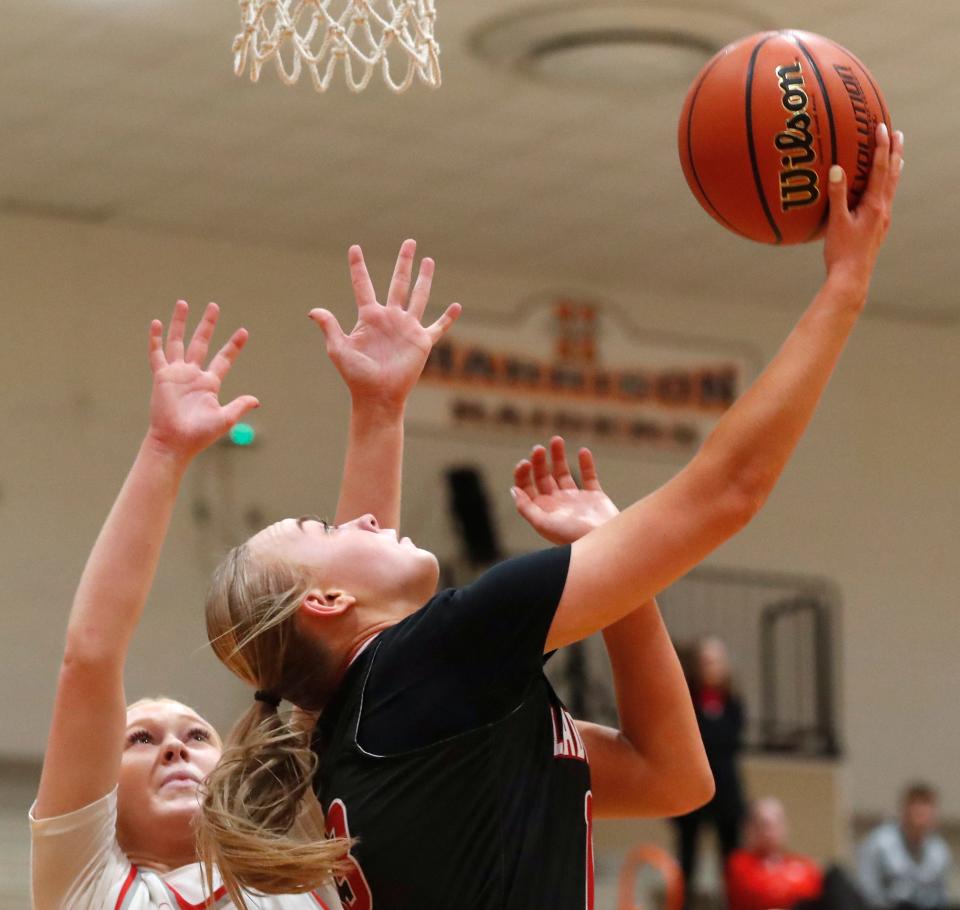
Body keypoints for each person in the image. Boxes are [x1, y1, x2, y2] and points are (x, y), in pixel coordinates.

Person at [199, 124, 904, 910]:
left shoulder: (379, 724)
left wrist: (382, 412)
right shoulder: (437, 667)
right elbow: (727, 490)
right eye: (325, 530)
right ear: (325, 605)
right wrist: (846, 284)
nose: (356, 521)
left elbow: (671, 775)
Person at [29, 299, 347, 908]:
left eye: (198, 736)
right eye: (140, 740)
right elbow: (91, 656)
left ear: (230, 774)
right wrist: (163, 451)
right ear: (98, 795)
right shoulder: (88, 887)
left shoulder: (297, 871)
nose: (174, 747)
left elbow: (355, 632)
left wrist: (381, 412)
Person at [673, 636, 747, 900]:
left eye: (716, 661)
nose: (711, 667)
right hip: (692, 788)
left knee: (731, 861)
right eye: (706, 661)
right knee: (687, 861)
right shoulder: (687, 701)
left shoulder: (734, 704)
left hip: (725, 789)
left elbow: (727, 742)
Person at [858, 783, 954, 910]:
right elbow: (867, 891)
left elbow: (942, 896)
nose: (921, 813)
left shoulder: (940, 851)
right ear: (904, 810)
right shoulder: (879, 843)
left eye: (926, 807)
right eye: (916, 806)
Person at [726, 798, 823, 910]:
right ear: (750, 828)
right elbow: (760, 894)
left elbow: (814, 898)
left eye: (776, 823)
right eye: (763, 824)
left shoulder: (804, 865)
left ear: (785, 827)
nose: (769, 830)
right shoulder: (739, 863)